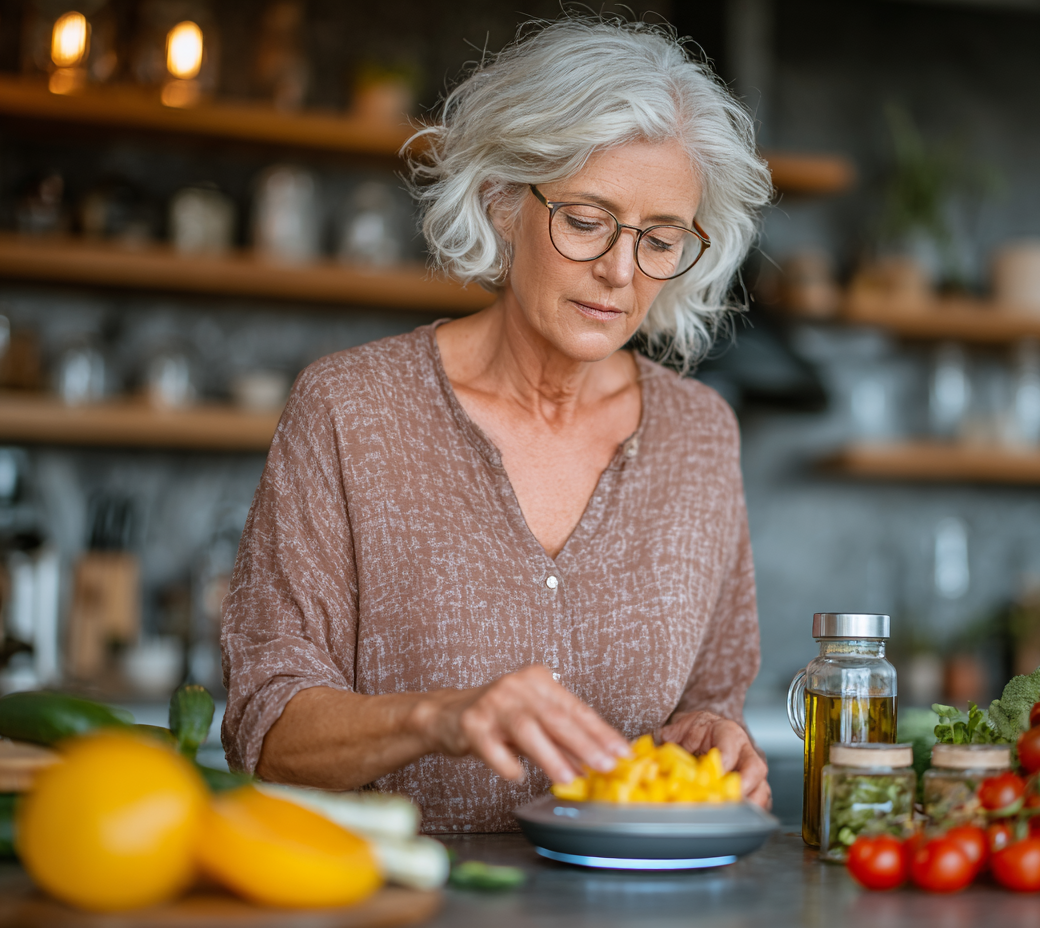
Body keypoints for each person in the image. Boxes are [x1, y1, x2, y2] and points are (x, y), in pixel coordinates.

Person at [221, 16, 774, 832]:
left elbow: (711, 703)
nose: (620, 272)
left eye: (660, 240)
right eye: (586, 221)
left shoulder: (700, 434)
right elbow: (265, 730)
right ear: (501, 201)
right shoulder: (351, 411)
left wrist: (716, 739)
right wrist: (440, 717)